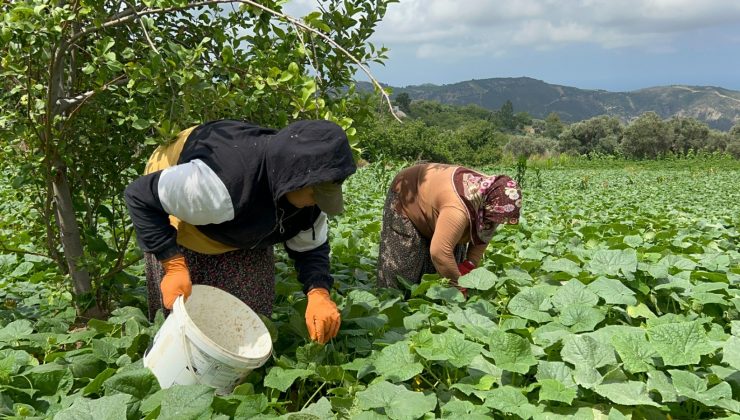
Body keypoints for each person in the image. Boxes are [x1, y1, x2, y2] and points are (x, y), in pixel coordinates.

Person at [124, 119, 356, 344]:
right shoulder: (219, 183)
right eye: (315, 195)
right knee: (185, 316)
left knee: (251, 314)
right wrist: (172, 263)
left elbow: (310, 248)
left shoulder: (307, 199)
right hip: (182, 206)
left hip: (244, 213)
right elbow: (140, 197)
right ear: (294, 179)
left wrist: (318, 292)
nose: (316, 203)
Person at [377, 163, 521, 291]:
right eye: (493, 217)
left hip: (438, 200)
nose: (494, 223)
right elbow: (439, 252)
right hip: (408, 192)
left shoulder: (491, 195)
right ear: (486, 205)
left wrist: (469, 265)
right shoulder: (458, 209)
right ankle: (395, 307)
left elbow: (484, 234)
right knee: (404, 266)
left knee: (449, 266)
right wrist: (458, 286)